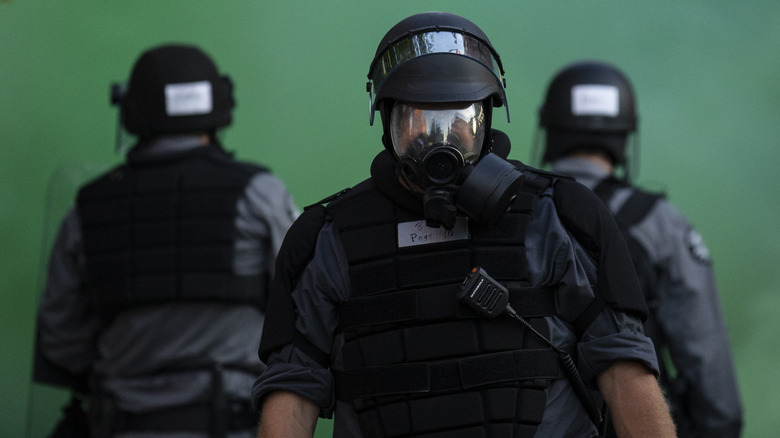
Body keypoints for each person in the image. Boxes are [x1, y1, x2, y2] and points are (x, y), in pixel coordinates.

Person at [251, 12, 677, 438]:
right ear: (387, 124)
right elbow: (291, 389)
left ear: (487, 121)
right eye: (417, 123)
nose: (440, 143)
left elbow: (624, 367)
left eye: (459, 124)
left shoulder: (562, 216)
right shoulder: (324, 240)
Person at [32, 43, 298, 438]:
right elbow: (305, 306)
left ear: (132, 111)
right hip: (233, 425)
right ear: (219, 109)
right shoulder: (260, 194)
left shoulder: (87, 210)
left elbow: (62, 341)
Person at [535, 60, 742, 437]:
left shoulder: (516, 214)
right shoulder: (661, 224)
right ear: (625, 134)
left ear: (550, 128)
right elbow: (708, 367)